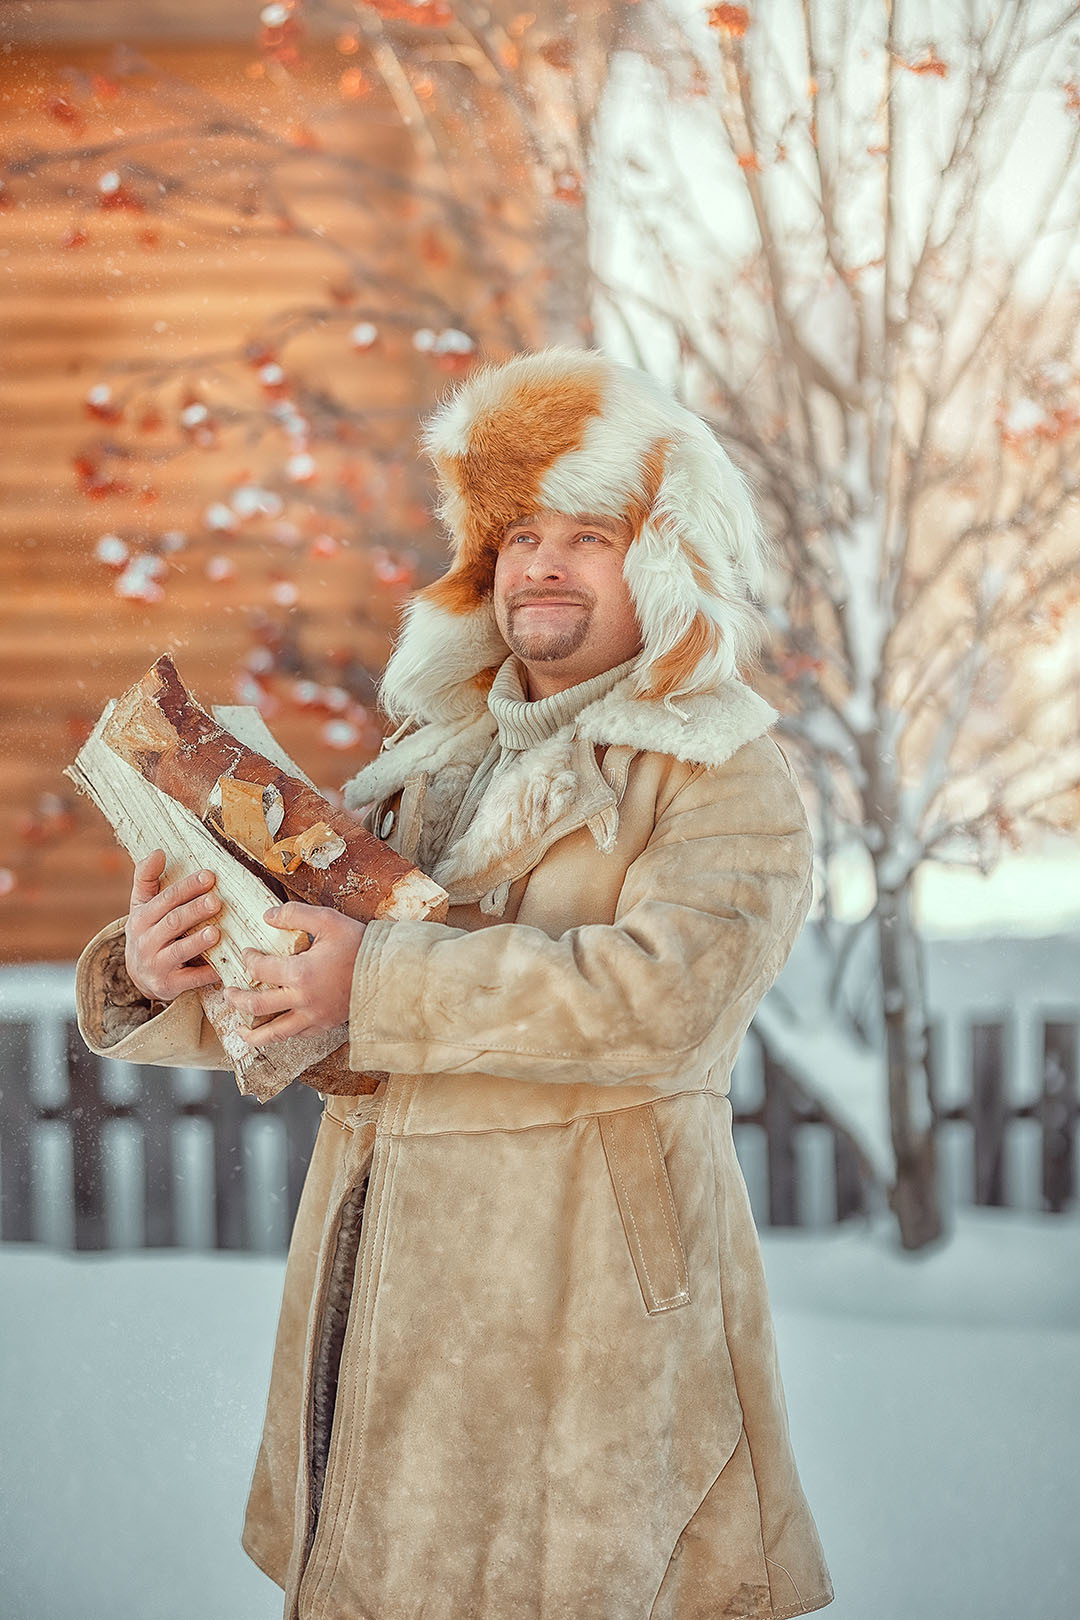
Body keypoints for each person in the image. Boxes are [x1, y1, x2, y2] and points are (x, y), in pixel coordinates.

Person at [76, 347, 834, 1620]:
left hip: (581, 1303)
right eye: (519, 532)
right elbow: (325, 978)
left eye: (586, 535)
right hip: (385, 1303)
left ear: (661, 560)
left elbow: (662, 1002)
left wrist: (376, 980)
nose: (539, 565)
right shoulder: (431, 762)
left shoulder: (719, 771)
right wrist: (177, 973)